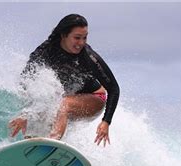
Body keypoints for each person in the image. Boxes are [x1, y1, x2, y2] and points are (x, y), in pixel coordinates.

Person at [9, 14, 120, 147]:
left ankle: (52, 144)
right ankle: (33, 149)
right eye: (77, 38)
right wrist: (26, 115)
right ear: (63, 35)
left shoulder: (88, 57)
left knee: (63, 104)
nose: (81, 43)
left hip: (95, 98)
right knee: (45, 110)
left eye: (84, 37)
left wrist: (106, 122)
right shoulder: (46, 50)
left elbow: (113, 88)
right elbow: (28, 79)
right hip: (70, 98)